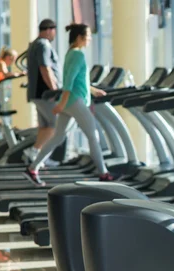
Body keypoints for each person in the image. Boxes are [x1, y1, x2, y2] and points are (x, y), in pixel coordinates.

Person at [25, 23, 113, 186]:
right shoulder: (77, 55)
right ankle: (104, 173)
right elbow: (69, 83)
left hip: (71, 101)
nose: (89, 40)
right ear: (79, 38)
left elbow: (79, 80)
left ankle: (33, 168)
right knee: (93, 136)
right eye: (87, 37)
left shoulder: (71, 54)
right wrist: (61, 104)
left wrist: (93, 91)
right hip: (73, 102)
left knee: (57, 137)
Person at [24, 18, 62, 164]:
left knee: (45, 126)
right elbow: (45, 68)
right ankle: (37, 154)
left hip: (37, 93)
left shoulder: (35, 44)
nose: (54, 35)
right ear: (48, 30)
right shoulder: (43, 45)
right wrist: (54, 90)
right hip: (46, 94)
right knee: (55, 127)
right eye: (54, 31)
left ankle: (37, 156)